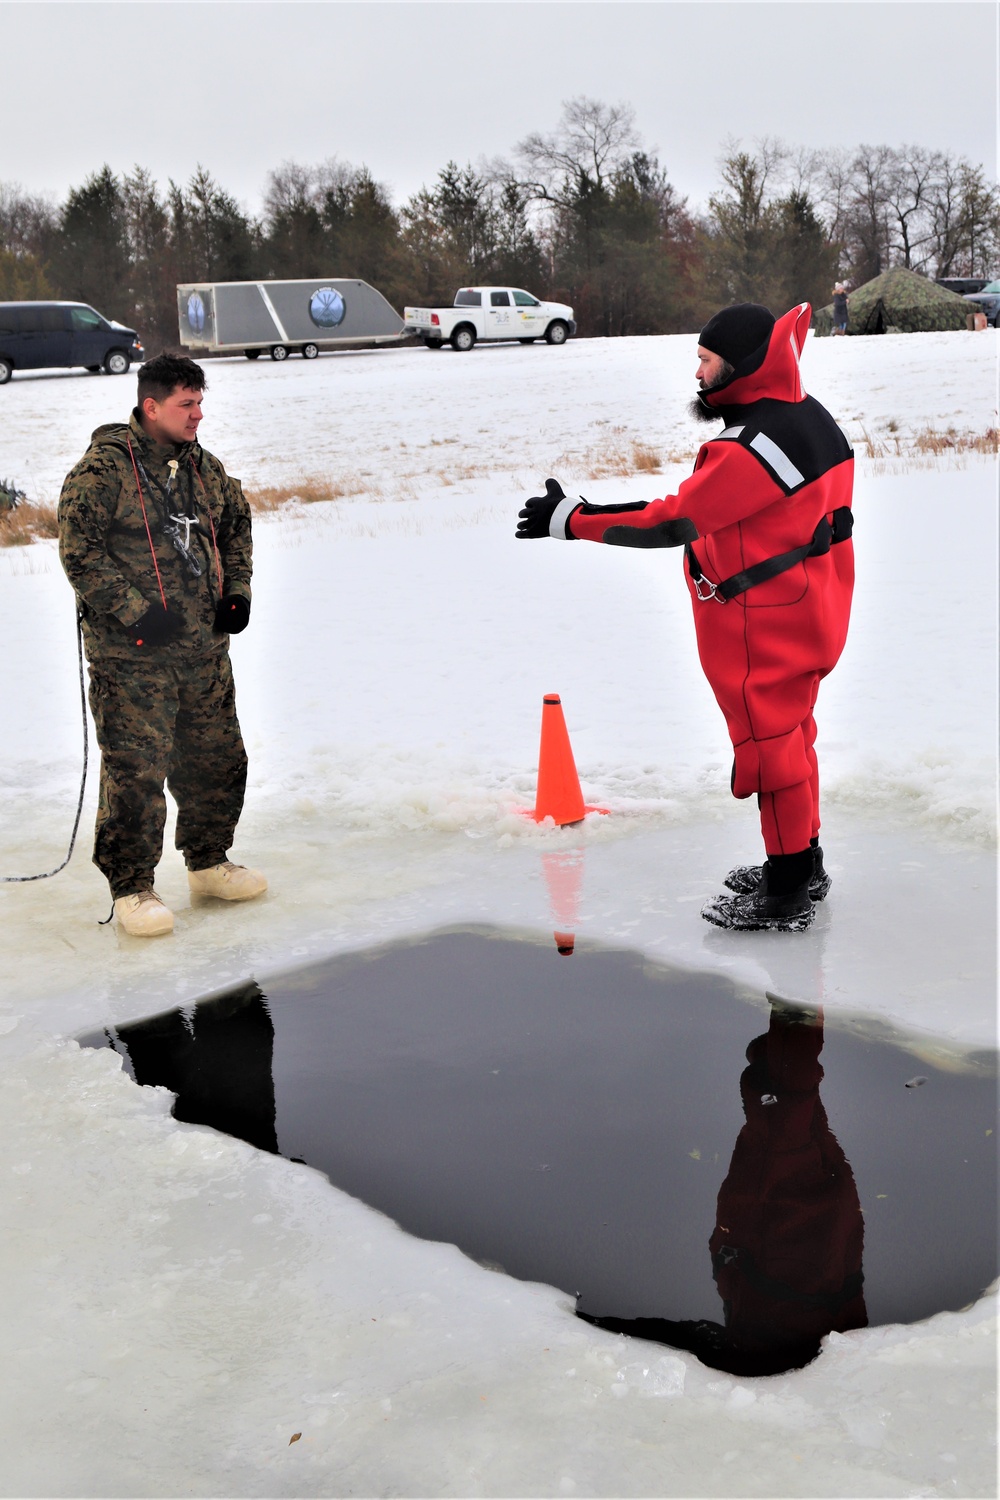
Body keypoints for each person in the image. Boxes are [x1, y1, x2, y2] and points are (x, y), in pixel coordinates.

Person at [516, 302, 854, 932]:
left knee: (770, 750)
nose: (696, 372)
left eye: (705, 359)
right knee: (795, 736)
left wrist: (572, 519)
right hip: (811, 608)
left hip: (766, 625)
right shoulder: (807, 416)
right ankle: (804, 863)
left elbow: (670, 520)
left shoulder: (751, 449)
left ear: (743, 366)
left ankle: (785, 892)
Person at [58, 353, 266, 937]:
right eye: (186, 405)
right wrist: (135, 613)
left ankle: (209, 861)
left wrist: (238, 592)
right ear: (152, 407)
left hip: (204, 653)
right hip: (132, 660)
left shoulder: (204, 468)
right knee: (136, 772)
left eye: (201, 402)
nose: (199, 414)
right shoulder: (104, 471)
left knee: (218, 761)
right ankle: (132, 889)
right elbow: (79, 551)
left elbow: (236, 525)